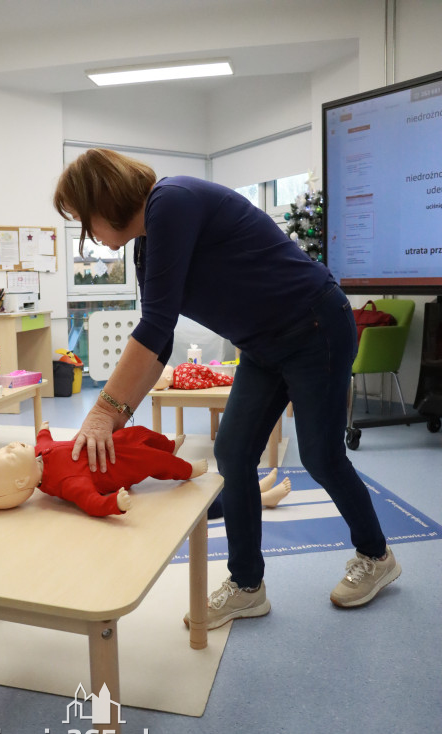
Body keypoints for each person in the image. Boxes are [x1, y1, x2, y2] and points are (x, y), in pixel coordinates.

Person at [53, 148, 402, 628]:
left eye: (83, 218)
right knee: (233, 454)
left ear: (104, 199)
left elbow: (154, 327)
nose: (87, 233)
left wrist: (102, 413)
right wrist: (115, 415)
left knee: (321, 456)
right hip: (263, 346)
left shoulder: (170, 201)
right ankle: (247, 586)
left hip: (315, 325)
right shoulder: (146, 245)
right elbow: (159, 341)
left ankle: (377, 555)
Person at [0, 422, 207, 516]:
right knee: (154, 460)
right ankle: (187, 470)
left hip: (107, 444)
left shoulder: (37, 453)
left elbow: (45, 441)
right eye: (9, 455)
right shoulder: (66, 482)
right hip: (117, 466)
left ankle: (170, 446)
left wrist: (43, 431)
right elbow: (90, 502)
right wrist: (114, 504)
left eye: (3, 448)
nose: (10, 446)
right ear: (21, 481)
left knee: (140, 432)